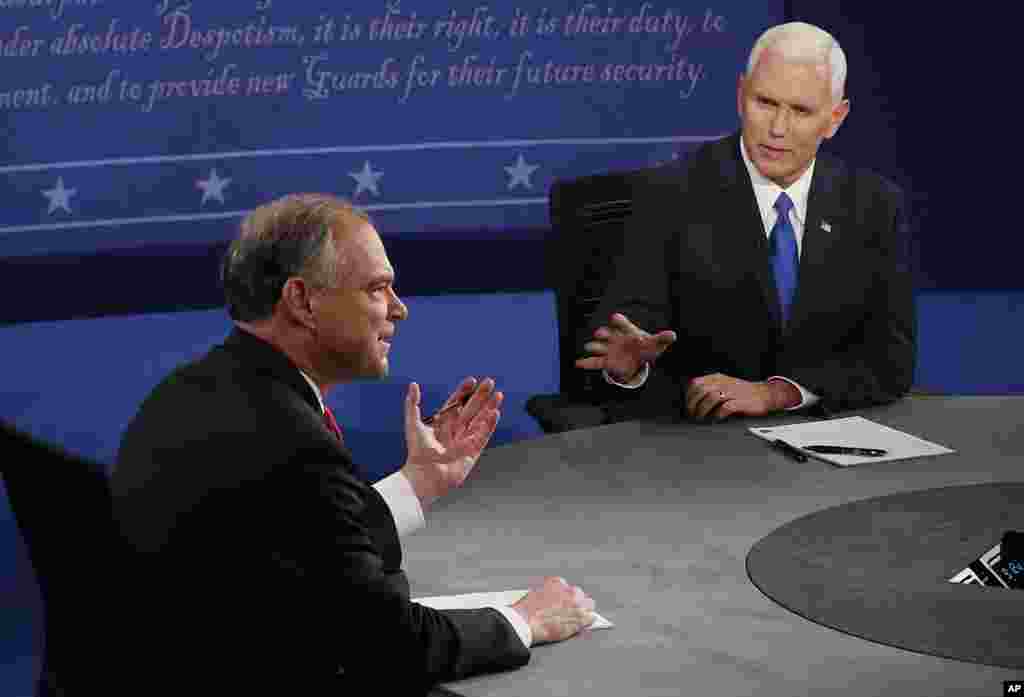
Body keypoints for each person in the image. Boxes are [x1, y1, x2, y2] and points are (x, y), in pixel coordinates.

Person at [110, 194, 595, 695]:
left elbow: (305, 542)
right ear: (302, 302)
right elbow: (390, 646)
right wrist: (521, 621)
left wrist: (419, 483)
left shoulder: (200, 390)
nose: (400, 310)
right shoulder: (287, 437)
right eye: (378, 289)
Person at [576, 21, 915, 422]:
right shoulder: (669, 193)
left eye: (801, 110)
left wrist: (777, 393)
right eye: (765, 103)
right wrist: (629, 367)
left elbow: (890, 362)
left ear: (835, 118)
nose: (777, 129)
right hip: (701, 443)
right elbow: (623, 340)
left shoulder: (873, 206)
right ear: (741, 95)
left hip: (823, 440)